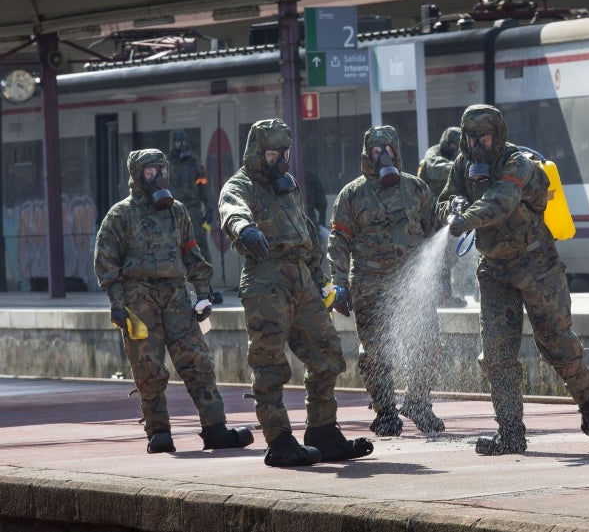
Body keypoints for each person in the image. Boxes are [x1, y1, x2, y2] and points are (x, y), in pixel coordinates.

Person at [438, 104, 589, 455]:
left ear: (497, 136)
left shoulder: (517, 163)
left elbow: (501, 201)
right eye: (471, 139)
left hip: (536, 264)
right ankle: (510, 432)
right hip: (494, 270)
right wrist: (452, 207)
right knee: (496, 354)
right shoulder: (462, 165)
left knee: (559, 345)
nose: (477, 146)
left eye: (484, 138)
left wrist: (468, 219)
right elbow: (443, 202)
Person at [218, 118, 373, 466]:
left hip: (302, 277)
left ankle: (322, 432)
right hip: (266, 279)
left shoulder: (288, 187)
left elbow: (306, 233)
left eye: (284, 153)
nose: (280, 161)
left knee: (327, 353)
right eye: (272, 154)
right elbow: (231, 209)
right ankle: (279, 441)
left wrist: (323, 284)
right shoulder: (240, 185)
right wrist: (244, 228)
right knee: (269, 364)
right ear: (257, 152)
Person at [94, 148, 254, 454]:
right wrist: (117, 303)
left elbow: (191, 253)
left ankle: (215, 428)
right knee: (148, 367)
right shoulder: (120, 215)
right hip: (138, 297)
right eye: (150, 173)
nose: (157, 178)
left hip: (177, 294)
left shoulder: (177, 211)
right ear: (137, 176)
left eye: (162, 171)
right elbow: (106, 262)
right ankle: (159, 432)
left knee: (197, 361)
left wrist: (203, 293)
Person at [328, 125, 446, 437]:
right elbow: (338, 242)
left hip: (413, 285)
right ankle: (385, 412)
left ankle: (418, 404)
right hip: (370, 286)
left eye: (388, 149)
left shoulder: (416, 188)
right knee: (375, 353)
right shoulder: (352, 194)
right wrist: (338, 285)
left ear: (397, 152)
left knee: (428, 345)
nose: (383, 156)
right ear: (367, 155)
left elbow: (435, 231)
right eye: (376, 151)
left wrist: (442, 279)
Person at [167, 129, 223, 304]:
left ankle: (207, 288)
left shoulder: (194, 161)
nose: (182, 145)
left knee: (200, 249)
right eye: (178, 142)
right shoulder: (166, 163)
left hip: (193, 211)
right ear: (173, 143)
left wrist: (209, 207)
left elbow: (203, 184)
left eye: (184, 141)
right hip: (173, 212)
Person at [418, 126, 468, 308]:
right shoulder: (434, 153)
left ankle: (445, 297)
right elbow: (436, 168)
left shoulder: (458, 157)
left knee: (448, 257)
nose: (454, 149)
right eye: (452, 145)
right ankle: (435, 297)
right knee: (435, 258)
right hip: (428, 214)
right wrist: (460, 168)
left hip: (445, 214)